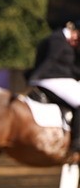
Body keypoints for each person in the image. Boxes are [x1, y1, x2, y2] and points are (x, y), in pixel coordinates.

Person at [27, 21, 80, 153]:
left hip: (63, 80)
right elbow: (50, 60)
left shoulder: (70, 43)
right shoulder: (57, 39)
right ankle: (77, 144)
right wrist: (34, 78)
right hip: (51, 79)